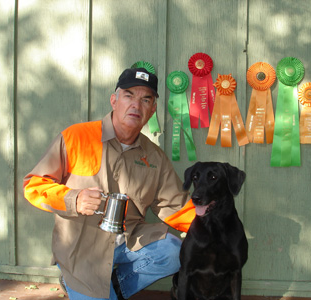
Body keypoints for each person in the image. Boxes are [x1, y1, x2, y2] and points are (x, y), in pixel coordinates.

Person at [23, 67, 195, 300]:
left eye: (146, 99)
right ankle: (76, 281)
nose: (136, 105)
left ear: (152, 110)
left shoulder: (154, 157)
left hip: (129, 241)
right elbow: (33, 185)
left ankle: (114, 287)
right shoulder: (77, 137)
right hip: (82, 250)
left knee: (175, 252)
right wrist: (74, 199)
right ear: (114, 100)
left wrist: (214, 232)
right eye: (129, 95)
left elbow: (178, 207)